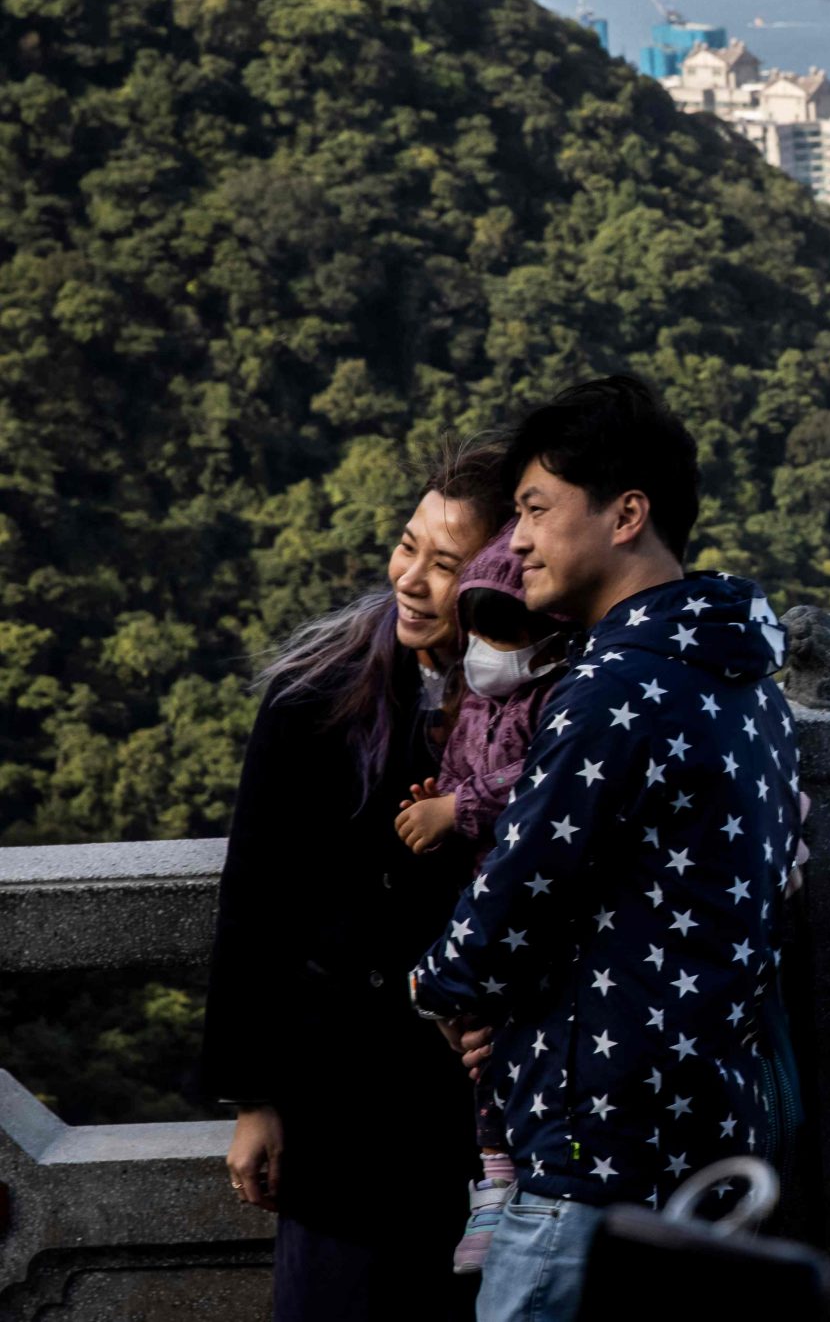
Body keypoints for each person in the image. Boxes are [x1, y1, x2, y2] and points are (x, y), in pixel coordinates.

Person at [408, 374, 799, 1322]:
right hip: (711, 1125)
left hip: (595, 1148)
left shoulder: (615, 686)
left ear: (627, 514)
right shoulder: (741, 668)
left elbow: (509, 900)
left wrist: (437, 985)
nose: (519, 542)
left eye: (537, 510)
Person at [205, 439, 515, 1322]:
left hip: (482, 1104)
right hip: (340, 1088)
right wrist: (252, 1096)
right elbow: (256, 901)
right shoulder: (317, 694)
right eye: (409, 543)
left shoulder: (541, 709)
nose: (410, 577)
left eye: (445, 563)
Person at [390, 521, 577, 1275]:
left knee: (503, 1046)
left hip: (531, 913)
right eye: (481, 626)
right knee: (475, 1047)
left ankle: (517, 1184)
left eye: (507, 628)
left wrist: (457, 811)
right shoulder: (471, 699)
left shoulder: (562, 697)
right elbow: (473, 767)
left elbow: (541, 786)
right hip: (477, 904)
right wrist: (444, 792)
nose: (489, 645)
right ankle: (494, 1181)